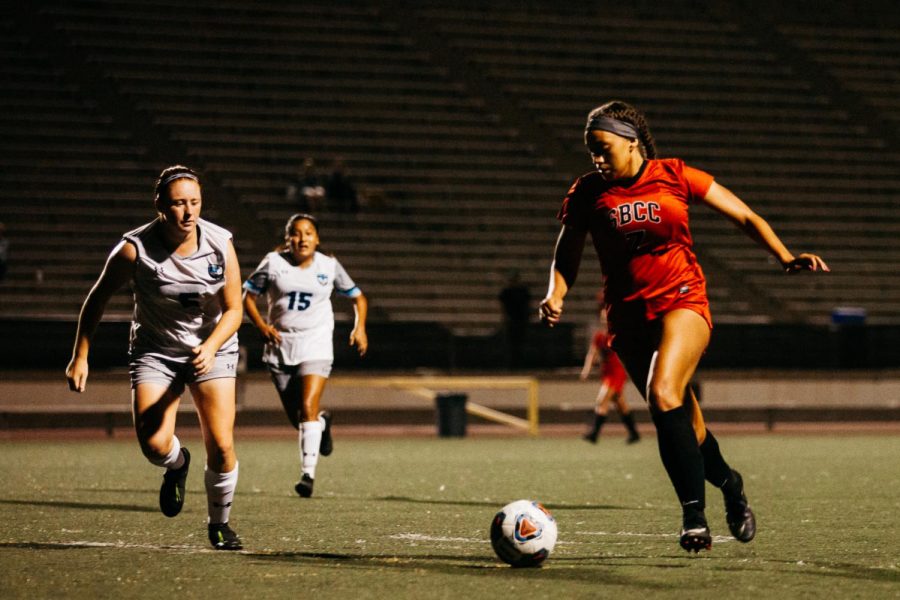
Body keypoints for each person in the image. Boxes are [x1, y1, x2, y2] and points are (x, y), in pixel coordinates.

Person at [539, 100, 829, 553]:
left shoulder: (674, 174)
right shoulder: (587, 192)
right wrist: (556, 293)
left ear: (632, 143)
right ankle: (731, 484)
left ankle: (694, 516)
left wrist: (784, 255)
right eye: (590, 150)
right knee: (685, 426)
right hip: (628, 317)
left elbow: (745, 216)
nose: (596, 158)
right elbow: (566, 254)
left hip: (682, 300)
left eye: (603, 147)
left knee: (662, 393)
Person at [65, 165, 244, 550]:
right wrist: (81, 355)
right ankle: (178, 465)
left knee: (223, 444)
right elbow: (96, 299)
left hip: (212, 350)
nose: (188, 212)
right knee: (153, 444)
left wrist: (211, 346)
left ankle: (219, 524)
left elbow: (234, 310)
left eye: (194, 202)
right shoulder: (134, 249)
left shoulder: (220, 243)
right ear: (160, 205)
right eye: (179, 203)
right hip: (156, 351)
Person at [242, 213, 368, 498]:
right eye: (296, 234)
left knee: (308, 407)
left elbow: (358, 297)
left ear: (317, 238)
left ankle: (307, 475)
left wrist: (360, 328)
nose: (302, 239)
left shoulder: (329, 266)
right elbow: (246, 296)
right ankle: (322, 423)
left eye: (308, 233)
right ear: (288, 239)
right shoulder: (273, 263)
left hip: (316, 343)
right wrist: (262, 326)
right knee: (299, 418)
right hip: (280, 346)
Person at [581, 294, 640, 445]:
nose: (604, 320)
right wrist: (586, 369)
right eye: (602, 317)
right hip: (606, 372)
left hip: (616, 373)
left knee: (602, 399)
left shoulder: (617, 334)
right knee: (620, 404)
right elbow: (592, 353)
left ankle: (594, 433)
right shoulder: (599, 336)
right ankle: (634, 433)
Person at [498, 269, 531, 368]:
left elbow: (527, 306)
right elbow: (503, 307)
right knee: (511, 345)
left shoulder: (522, 291)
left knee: (520, 344)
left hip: (520, 321)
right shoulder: (507, 292)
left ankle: (519, 363)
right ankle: (512, 364)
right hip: (512, 321)